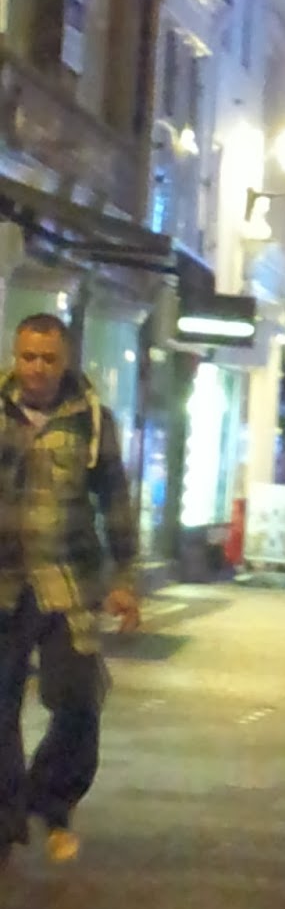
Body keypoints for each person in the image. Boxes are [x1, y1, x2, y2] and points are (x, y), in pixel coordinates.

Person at [0, 313, 140, 867]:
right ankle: (5, 817)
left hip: (68, 583)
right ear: (15, 355)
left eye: (48, 358)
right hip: (5, 583)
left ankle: (49, 795)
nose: (36, 367)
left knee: (80, 698)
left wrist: (124, 578)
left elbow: (117, 502)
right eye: (28, 356)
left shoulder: (93, 421)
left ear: (65, 361)